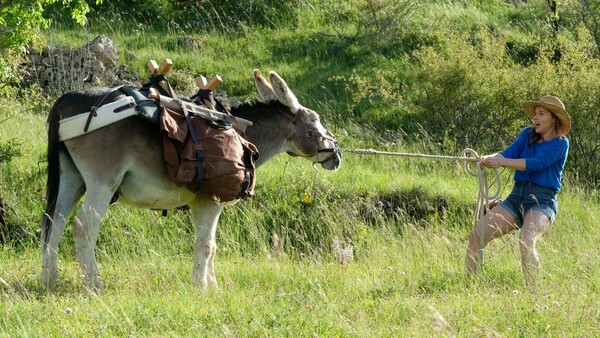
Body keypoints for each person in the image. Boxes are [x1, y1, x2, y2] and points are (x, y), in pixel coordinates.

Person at [466, 95, 570, 288]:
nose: (535, 118)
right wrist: (489, 158)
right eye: (535, 114)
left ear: (553, 119)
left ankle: (532, 295)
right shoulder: (526, 134)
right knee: (477, 235)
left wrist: (501, 162)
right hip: (516, 197)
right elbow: (507, 153)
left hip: (542, 201)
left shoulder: (561, 143)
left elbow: (537, 164)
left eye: (541, 114)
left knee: (527, 239)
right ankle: (470, 288)